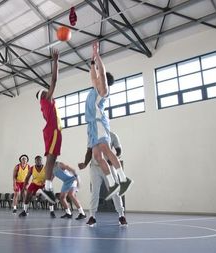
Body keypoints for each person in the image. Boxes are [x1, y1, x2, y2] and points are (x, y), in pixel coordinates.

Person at [84, 41, 132, 201]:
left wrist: (97, 55)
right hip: (92, 126)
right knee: (97, 156)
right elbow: (93, 74)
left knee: (105, 149)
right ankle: (112, 183)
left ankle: (124, 179)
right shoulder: (94, 87)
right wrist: (92, 62)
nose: (96, 77)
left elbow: (101, 74)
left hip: (99, 123)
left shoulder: (103, 90)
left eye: (99, 77)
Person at [79, 131, 128, 227]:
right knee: (94, 192)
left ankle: (121, 215)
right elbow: (89, 151)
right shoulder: (93, 135)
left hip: (109, 167)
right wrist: (85, 163)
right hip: (95, 167)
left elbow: (119, 150)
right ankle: (92, 217)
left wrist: (114, 158)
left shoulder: (113, 136)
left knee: (115, 191)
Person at [35, 49, 61, 204]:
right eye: (45, 90)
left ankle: (48, 187)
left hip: (53, 130)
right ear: (43, 95)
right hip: (53, 130)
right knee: (51, 158)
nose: (48, 90)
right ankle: (47, 187)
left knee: (52, 157)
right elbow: (54, 81)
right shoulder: (47, 100)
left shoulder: (46, 104)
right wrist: (55, 61)